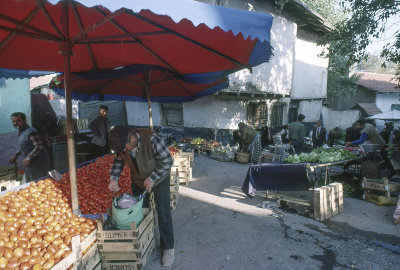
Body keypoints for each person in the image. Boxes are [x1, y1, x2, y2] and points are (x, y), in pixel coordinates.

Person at [108, 126, 175, 267]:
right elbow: (118, 161)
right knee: (139, 212)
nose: (124, 151)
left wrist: (152, 179)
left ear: (132, 138)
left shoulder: (152, 140)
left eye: (125, 148)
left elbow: (168, 161)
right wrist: (114, 178)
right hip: (138, 180)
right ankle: (145, 240)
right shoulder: (123, 146)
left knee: (163, 212)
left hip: (159, 179)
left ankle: (168, 248)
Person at [9, 112, 50, 183]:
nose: (16, 123)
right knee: (31, 183)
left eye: (18, 121)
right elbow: (25, 145)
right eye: (13, 121)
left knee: (39, 183)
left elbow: (39, 147)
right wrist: (16, 155)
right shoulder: (22, 131)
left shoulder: (31, 132)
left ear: (25, 120)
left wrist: (28, 157)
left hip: (39, 163)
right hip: (31, 164)